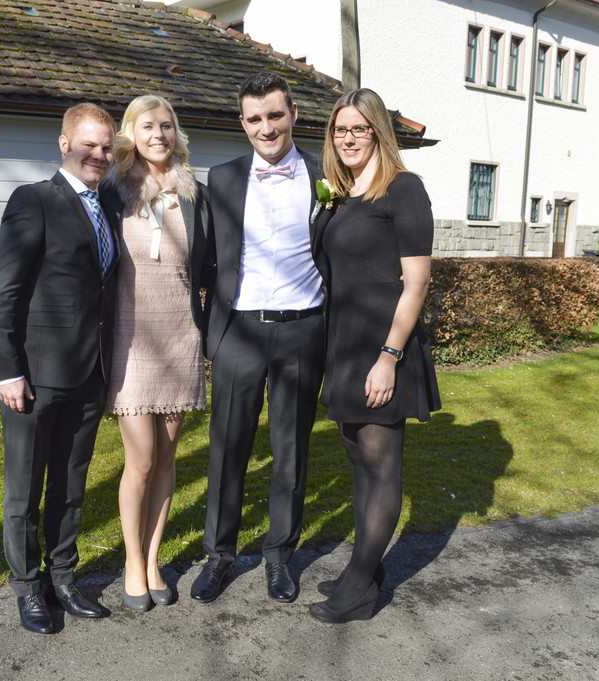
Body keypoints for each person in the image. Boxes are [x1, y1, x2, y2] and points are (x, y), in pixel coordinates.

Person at [192, 72, 331, 604]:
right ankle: (219, 555)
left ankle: (279, 556)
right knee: (227, 447)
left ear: (293, 114)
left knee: (290, 450)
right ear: (242, 123)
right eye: (254, 119)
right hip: (239, 330)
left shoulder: (326, 176)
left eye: (275, 115)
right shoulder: (222, 178)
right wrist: (211, 331)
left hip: (303, 330)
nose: (266, 128)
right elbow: (205, 258)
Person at [0, 102, 119, 635]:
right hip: (35, 377)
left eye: (107, 146)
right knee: (24, 489)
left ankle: (63, 578)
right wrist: (7, 371)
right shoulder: (34, 199)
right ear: (65, 144)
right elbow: (3, 290)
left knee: (70, 484)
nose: (99, 155)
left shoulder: (108, 206)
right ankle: (27, 586)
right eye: (89, 145)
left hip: (89, 373)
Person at [309, 88, 441, 624]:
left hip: (384, 343)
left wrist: (389, 356)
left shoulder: (403, 189)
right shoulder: (341, 193)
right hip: (345, 340)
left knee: (381, 465)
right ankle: (362, 570)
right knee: (359, 461)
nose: (348, 138)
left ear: (378, 132)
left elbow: (417, 281)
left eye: (359, 129)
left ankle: (360, 586)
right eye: (340, 129)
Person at [102, 95, 213, 612]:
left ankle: (152, 560)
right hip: (131, 338)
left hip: (181, 336)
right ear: (131, 133)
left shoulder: (195, 193)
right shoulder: (111, 191)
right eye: (147, 126)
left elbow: (212, 265)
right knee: (141, 459)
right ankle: (131, 561)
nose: (159, 134)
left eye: (167, 125)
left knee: (167, 457)